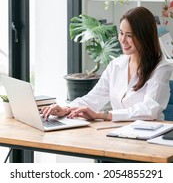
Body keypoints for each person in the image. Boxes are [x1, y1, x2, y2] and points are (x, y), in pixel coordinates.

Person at [42, 7, 173, 122]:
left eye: (129, 35)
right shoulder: (116, 65)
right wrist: (65, 109)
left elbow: (149, 110)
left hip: (148, 137)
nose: (122, 40)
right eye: (121, 33)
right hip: (118, 134)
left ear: (144, 37)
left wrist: (103, 115)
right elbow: (93, 98)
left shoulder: (161, 68)